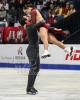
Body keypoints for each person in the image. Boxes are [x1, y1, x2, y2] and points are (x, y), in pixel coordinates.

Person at [20, 15, 46, 94]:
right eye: (27, 16)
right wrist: (37, 15)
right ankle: (28, 89)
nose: (29, 16)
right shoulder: (29, 26)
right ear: (25, 21)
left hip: (34, 50)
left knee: (36, 69)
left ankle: (31, 86)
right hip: (32, 50)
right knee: (34, 69)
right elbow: (42, 21)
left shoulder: (30, 25)